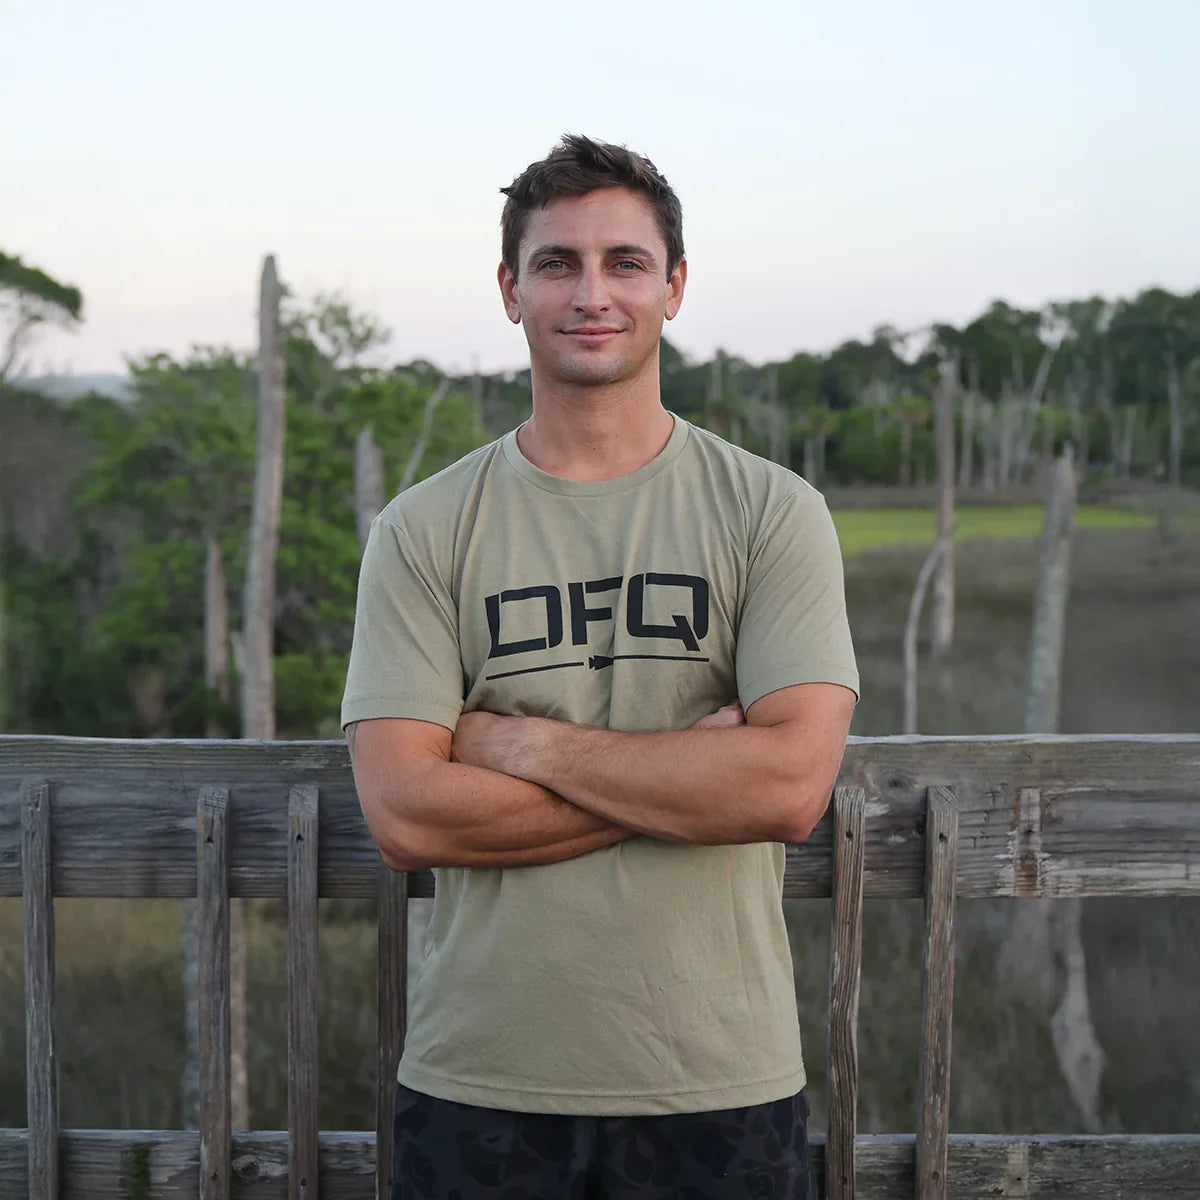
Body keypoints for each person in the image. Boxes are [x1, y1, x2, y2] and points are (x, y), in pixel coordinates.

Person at [341, 134, 859, 1199]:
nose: (593, 293)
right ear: (509, 290)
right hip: (480, 1081)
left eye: (625, 263)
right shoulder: (423, 529)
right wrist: (686, 779)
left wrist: (521, 742)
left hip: (718, 1075)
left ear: (673, 287)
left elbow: (788, 788)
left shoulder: (772, 514)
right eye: (557, 263)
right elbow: (406, 818)